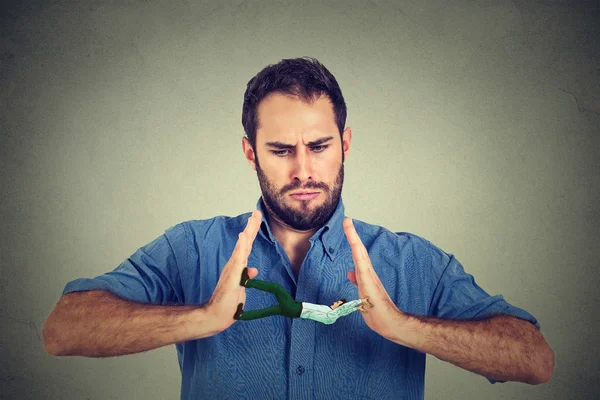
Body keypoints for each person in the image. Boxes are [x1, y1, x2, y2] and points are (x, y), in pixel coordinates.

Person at [42, 57, 555, 399]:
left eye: (320, 146)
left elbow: (535, 360)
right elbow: (63, 330)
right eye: (282, 150)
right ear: (251, 152)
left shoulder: (411, 262)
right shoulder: (192, 249)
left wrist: (404, 326)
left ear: (346, 143)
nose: (303, 170)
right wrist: (201, 317)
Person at [234, 267, 373, 323]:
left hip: (295, 308)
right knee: (269, 311)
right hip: (294, 312)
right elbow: (345, 311)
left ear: (338, 306)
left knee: (276, 288)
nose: (334, 303)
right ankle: (242, 316)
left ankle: (247, 282)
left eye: (337, 303)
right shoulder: (331, 317)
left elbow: (343, 309)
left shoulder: (331, 315)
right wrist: (356, 308)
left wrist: (360, 301)